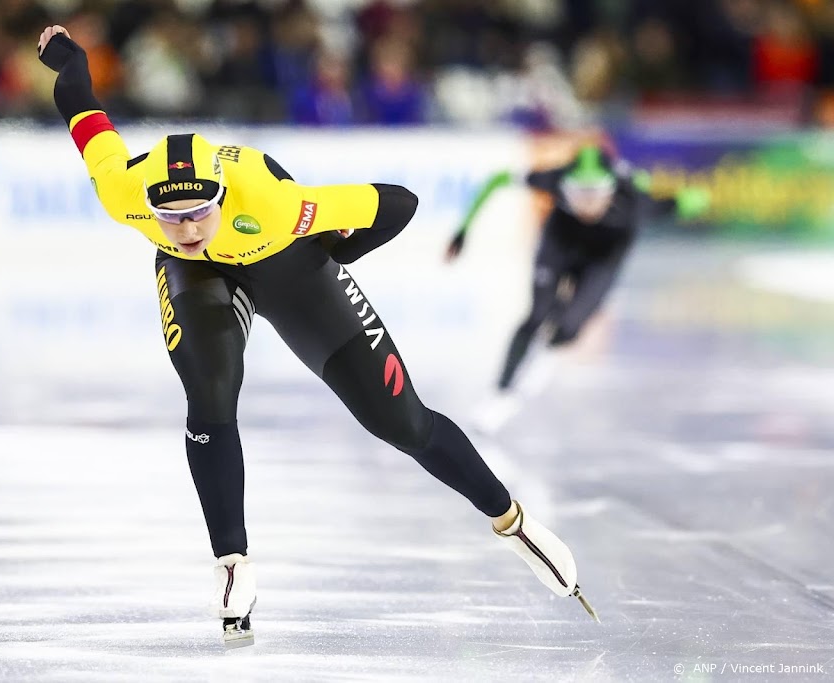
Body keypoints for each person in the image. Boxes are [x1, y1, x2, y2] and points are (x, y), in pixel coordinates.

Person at [36, 24, 598, 647]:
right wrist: (69, 56)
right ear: (151, 207)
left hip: (288, 262)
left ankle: (511, 522)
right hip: (195, 280)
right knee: (211, 388)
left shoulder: (276, 202)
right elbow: (82, 107)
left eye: (199, 212)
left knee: (400, 423)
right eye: (171, 217)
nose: (188, 227)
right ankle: (233, 564)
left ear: (223, 195)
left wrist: (339, 253)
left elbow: (398, 203)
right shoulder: (124, 192)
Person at [446, 145, 710, 430]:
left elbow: (688, 200)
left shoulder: (634, 199)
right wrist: (463, 230)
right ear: (565, 189)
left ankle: (554, 338)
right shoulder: (553, 178)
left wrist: (694, 200)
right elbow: (496, 180)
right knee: (536, 316)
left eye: (594, 195)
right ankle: (501, 391)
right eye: (578, 196)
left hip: (603, 258)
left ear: (610, 191)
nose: (586, 205)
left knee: (570, 328)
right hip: (560, 244)